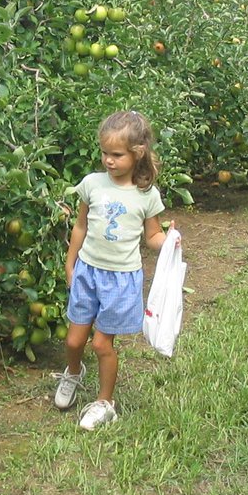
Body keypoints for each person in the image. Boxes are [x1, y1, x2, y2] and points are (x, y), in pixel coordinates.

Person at [54, 110, 175, 430]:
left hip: (121, 279)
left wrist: (169, 240)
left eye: (116, 155)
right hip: (88, 272)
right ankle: (74, 373)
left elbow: (152, 236)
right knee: (74, 341)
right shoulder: (92, 185)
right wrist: (71, 261)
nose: (108, 160)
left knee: (101, 344)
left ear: (137, 154)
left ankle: (105, 402)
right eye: (105, 153)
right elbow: (80, 227)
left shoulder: (146, 195)